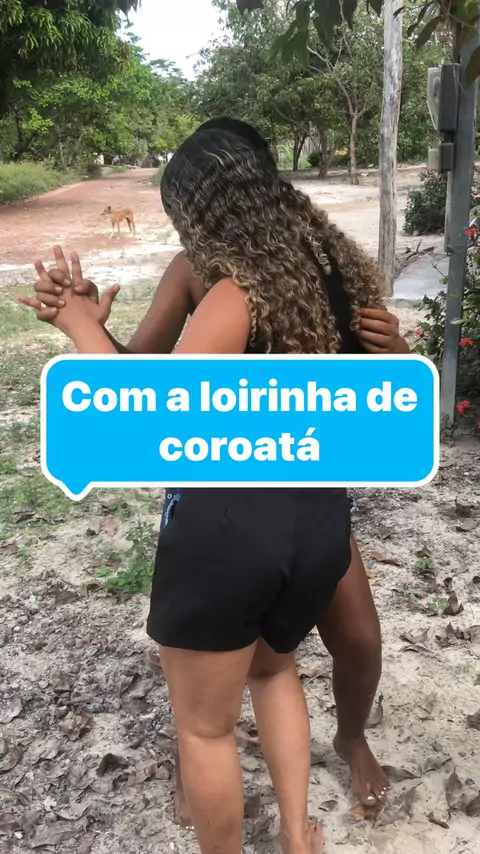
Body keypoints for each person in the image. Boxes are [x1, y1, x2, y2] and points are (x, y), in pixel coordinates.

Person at [22, 125, 409, 854]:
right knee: (276, 670)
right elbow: (382, 405)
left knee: (205, 730)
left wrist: (77, 328)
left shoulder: (236, 292)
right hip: (315, 518)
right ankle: (298, 835)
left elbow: (150, 417)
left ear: (203, 210)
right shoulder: (326, 270)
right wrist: (100, 333)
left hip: (229, 523)